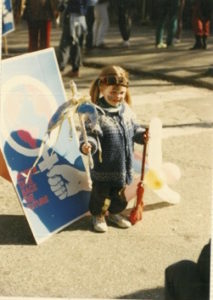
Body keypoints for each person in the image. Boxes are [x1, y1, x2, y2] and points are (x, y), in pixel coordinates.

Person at [79, 65, 148, 232]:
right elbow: (90, 136)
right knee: (101, 194)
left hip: (123, 166)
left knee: (119, 195)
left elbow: (134, 129)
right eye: (113, 93)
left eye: (121, 93)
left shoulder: (126, 111)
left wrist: (142, 135)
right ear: (102, 89)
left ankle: (115, 213)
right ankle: (99, 215)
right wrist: (88, 146)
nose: (118, 97)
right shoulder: (96, 113)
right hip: (104, 167)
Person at [56, 0, 87, 77]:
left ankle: (60, 68)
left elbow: (63, 4)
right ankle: (75, 69)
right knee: (77, 43)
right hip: (81, 15)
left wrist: (60, 7)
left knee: (65, 43)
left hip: (72, 15)